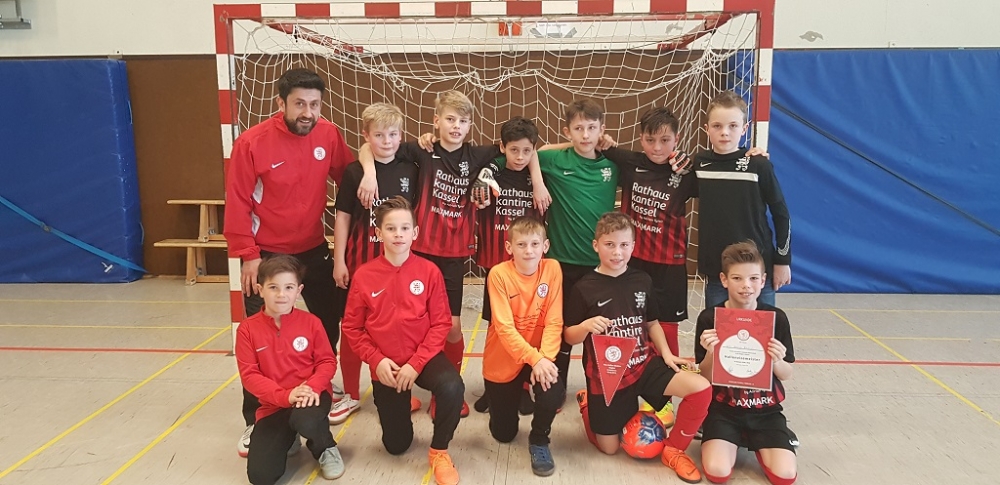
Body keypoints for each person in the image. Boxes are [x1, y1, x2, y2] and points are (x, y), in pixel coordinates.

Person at [224, 68, 372, 455]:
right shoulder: (252, 143)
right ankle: (256, 419)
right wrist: (248, 256)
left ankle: (317, 386)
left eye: (315, 104)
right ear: (281, 104)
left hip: (312, 248)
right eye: (300, 104)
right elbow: (237, 200)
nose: (308, 112)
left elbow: (351, 173)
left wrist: (374, 170)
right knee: (261, 339)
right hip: (266, 254)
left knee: (327, 321)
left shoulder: (327, 134)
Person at [356, 90, 511, 417]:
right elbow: (369, 145)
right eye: (450, 119)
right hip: (420, 253)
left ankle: (447, 391)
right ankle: (403, 387)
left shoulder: (477, 154)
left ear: (470, 125)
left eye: (463, 121)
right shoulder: (421, 150)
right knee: (410, 324)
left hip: (454, 255)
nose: (456, 126)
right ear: (436, 120)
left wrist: (488, 177)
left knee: (451, 327)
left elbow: (516, 150)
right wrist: (369, 173)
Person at [564, 212, 712, 484]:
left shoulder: (642, 280)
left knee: (701, 389)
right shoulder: (584, 287)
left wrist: (667, 354)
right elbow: (569, 336)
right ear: (596, 245)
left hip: (644, 364)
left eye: (624, 245)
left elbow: (652, 323)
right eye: (609, 244)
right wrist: (585, 326)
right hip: (608, 375)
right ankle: (588, 406)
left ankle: (674, 450)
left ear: (633, 246)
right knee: (609, 449)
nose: (617, 252)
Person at [341, 196, 465, 485]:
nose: (398, 234)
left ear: (415, 232)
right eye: (391, 228)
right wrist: (377, 360)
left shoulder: (429, 272)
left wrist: (416, 363)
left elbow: (441, 323)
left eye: (405, 228)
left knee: (452, 386)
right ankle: (401, 401)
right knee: (397, 446)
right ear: (378, 233)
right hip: (386, 365)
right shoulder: (364, 276)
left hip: (423, 358)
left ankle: (440, 451)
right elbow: (352, 328)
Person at [328, 103, 421, 424]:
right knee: (352, 328)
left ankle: (397, 390)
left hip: (397, 267)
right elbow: (342, 218)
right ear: (366, 136)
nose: (386, 141)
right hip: (358, 265)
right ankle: (351, 394)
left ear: (401, 136)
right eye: (379, 135)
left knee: (395, 326)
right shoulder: (355, 172)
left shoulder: (410, 169)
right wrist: (339, 261)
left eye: (393, 134)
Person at [234, 255, 345, 484]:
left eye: (289, 287)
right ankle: (289, 435)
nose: (281, 294)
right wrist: (285, 396)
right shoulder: (247, 330)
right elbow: (250, 376)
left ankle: (325, 447)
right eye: (273, 287)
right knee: (261, 477)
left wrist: (311, 387)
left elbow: (327, 362)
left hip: (311, 396)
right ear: (260, 290)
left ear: (299, 291)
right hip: (273, 404)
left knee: (306, 421)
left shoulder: (311, 323)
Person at [695, 241, 797, 485]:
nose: (746, 286)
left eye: (753, 278)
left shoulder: (776, 318)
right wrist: (711, 353)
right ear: (724, 280)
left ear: (763, 280)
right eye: (737, 278)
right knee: (717, 472)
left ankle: (762, 438)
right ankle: (726, 435)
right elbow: (704, 377)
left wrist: (776, 360)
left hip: (765, 410)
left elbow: (786, 373)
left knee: (785, 476)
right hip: (724, 410)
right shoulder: (710, 318)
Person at [469, 116, 542, 415]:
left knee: (526, 329)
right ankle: (493, 385)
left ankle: (522, 386)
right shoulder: (488, 173)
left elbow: (547, 152)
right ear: (502, 147)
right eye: (514, 150)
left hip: (527, 270)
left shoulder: (539, 177)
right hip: (495, 267)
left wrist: (538, 180)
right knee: (496, 329)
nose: (520, 157)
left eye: (527, 151)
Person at [481, 216, 564, 476]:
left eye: (535, 244)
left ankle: (539, 439)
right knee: (503, 434)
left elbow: (554, 321)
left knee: (553, 392)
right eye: (521, 244)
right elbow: (504, 328)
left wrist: (544, 359)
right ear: (509, 247)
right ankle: (507, 396)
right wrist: (535, 359)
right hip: (504, 358)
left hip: (538, 357)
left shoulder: (552, 269)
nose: (529, 250)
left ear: (545, 246)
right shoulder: (498, 274)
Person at [694, 91, 792, 308]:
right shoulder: (699, 164)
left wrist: (782, 261)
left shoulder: (758, 165)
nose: (725, 132)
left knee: (762, 327)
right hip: (718, 272)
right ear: (706, 128)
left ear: (744, 128)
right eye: (717, 126)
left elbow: (781, 215)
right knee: (718, 327)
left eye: (733, 126)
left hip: (757, 268)